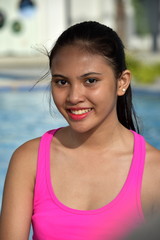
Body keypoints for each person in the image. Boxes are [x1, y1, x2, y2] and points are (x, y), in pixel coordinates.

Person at [0, 21, 160, 240]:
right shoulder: (29, 160)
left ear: (122, 82)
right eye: (62, 82)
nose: (74, 97)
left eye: (90, 80)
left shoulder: (154, 172)